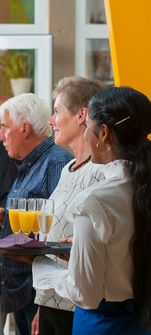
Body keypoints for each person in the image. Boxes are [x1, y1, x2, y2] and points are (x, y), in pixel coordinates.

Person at [30, 86, 151, 334]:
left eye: (89, 127)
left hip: (101, 324)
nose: (86, 136)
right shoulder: (139, 187)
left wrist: (41, 267)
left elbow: (84, 293)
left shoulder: (93, 200)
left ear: (103, 133)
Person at [0, 93, 73, 335]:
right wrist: (3, 220)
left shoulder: (56, 164)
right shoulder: (29, 163)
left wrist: (44, 304)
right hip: (25, 294)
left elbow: (61, 238)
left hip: (37, 294)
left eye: (5, 127)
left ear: (24, 128)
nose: (0, 136)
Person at [30, 76, 106, 335]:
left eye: (57, 111)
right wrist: (42, 304)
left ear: (81, 115)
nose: (51, 120)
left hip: (79, 308)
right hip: (53, 302)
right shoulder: (67, 170)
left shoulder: (103, 173)